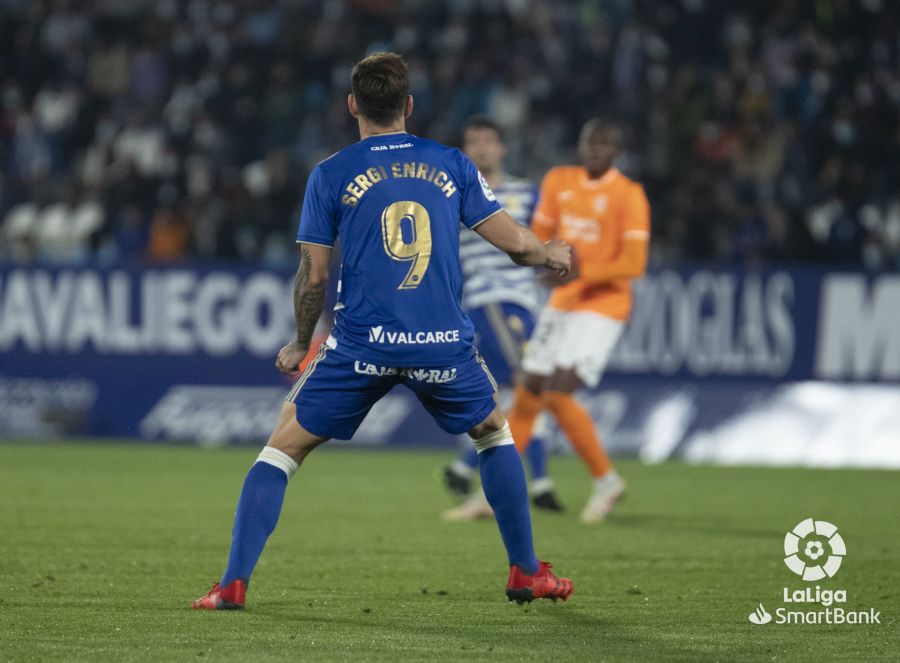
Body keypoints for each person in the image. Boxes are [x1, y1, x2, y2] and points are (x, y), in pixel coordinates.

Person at [191, 52, 573, 610]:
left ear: (353, 106)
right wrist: (551, 253)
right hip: (441, 341)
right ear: (409, 106)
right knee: (493, 431)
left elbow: (314, 274)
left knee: (282, 449)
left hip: (361, 343)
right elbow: (517, 246)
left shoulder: (331, 173)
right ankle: (524, 571)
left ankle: (232, 584)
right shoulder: (451, 165)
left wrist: (301, 341)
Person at [506, 118, 651, 524]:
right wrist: (542, 258)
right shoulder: (559, 180)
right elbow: (541, 233)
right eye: (590, 142)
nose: (595, 150)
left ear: (616, 151)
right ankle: (494, 490)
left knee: (556, 392)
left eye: (605, 144)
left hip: (604, 305)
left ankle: (606, 481)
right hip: (563, 301)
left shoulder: (629, 194)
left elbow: (633, 262)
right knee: (528, 391)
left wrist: (581, 270)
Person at [441, 115, 562, 518]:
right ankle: (534, 482)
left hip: (524, 303)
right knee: (530, 385)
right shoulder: (453, 194)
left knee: (506, 395)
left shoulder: (528, 194)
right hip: (489, 300)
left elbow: (546, 236)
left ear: (502, 148)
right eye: (473, 142)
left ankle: (471, 470)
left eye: (488, 141)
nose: (481, 149)